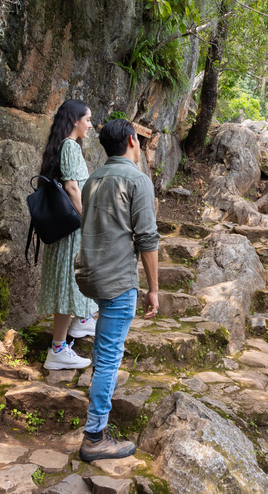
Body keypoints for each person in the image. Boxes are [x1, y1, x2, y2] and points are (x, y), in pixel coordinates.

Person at [75, 119, 160, 461]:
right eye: (138, 141)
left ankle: (97, 427)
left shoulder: (93, 178)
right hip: (117, 280)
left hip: (89, 275)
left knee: (104, 351)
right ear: (131, 141)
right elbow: (147, 238)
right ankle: (95, 437)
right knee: (109, 358)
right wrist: (153, 288)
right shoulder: (137, 180)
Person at [37, 99, 99, 371]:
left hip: (66, 229)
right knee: (70, 282)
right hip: (73, 229)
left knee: (70, 281)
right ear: (75, 120)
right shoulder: (70, 146)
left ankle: (81, 320)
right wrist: (87, 221)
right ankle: (58, 349)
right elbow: (73, 188)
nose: (90, 125)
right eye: (87, 119)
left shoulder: (63, 146)